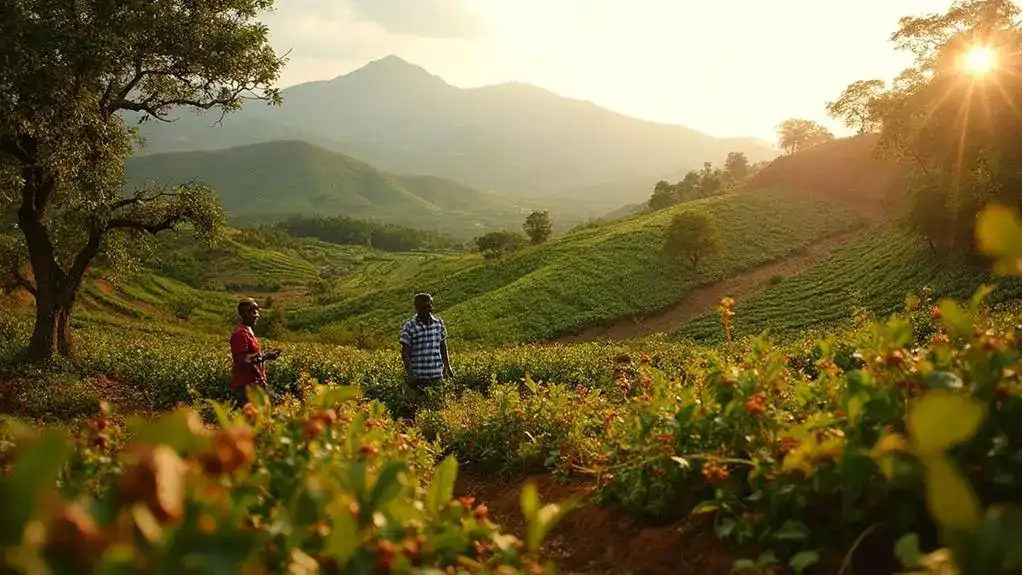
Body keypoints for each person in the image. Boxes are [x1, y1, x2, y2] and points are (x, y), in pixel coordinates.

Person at [399, 293, 454, 401]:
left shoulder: (439, 324)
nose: (427, 310)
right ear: (416, 308)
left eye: (429, 306)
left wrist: (448, 366)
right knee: (419, 406)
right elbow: (405, 352)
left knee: (437, 405)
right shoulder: (409, 326)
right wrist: (410, 374)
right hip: (419, 378)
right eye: (423, 307)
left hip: (436, 375)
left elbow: (443, 346)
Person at [229, 298, 280, 408]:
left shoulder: (248, 330)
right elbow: (241, 360)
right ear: (246, 313)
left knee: (274, 407)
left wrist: (265, 356)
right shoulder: (240, 334)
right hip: (246, 385)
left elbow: (251, 356)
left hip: (256, 382)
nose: (257, 315)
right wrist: (265, 356)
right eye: (254, 312)